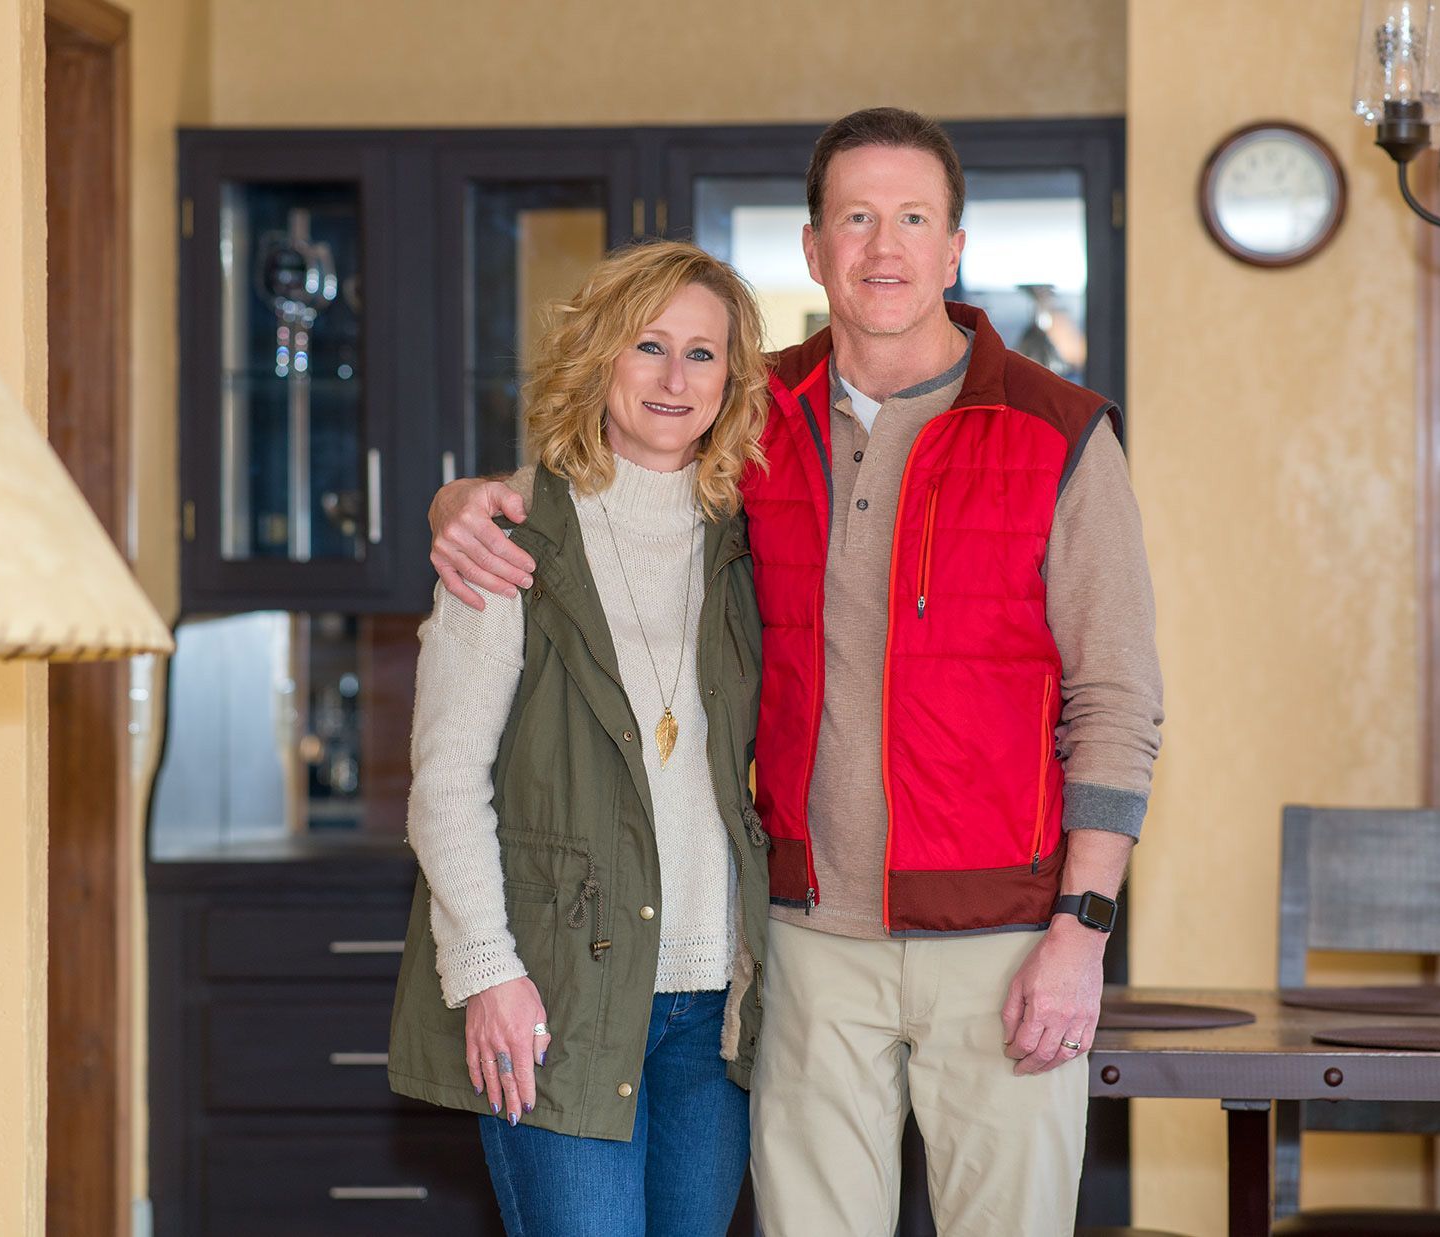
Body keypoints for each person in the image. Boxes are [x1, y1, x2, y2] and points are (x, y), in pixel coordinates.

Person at [426, 107, 1164, 1236]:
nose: (883, 247)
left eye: (911, 218)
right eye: (854, 218)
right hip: (801, 945)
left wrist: (1081, 932)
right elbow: (618, 478)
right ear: (812, 250)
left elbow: (1115, 702)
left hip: (1006, 937)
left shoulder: (1057, 433)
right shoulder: (750, 416)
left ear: (954, 246)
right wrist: (465, 503)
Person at [385, 240, 772, 1237]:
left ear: (732, 379)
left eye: (702, 352)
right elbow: (445, 781)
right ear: (599, 355)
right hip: (556, 994)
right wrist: (486, 973)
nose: (674, 377)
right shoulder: (511, 537)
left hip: (712, 1013)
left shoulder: (753, 542)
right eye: (649, 345)